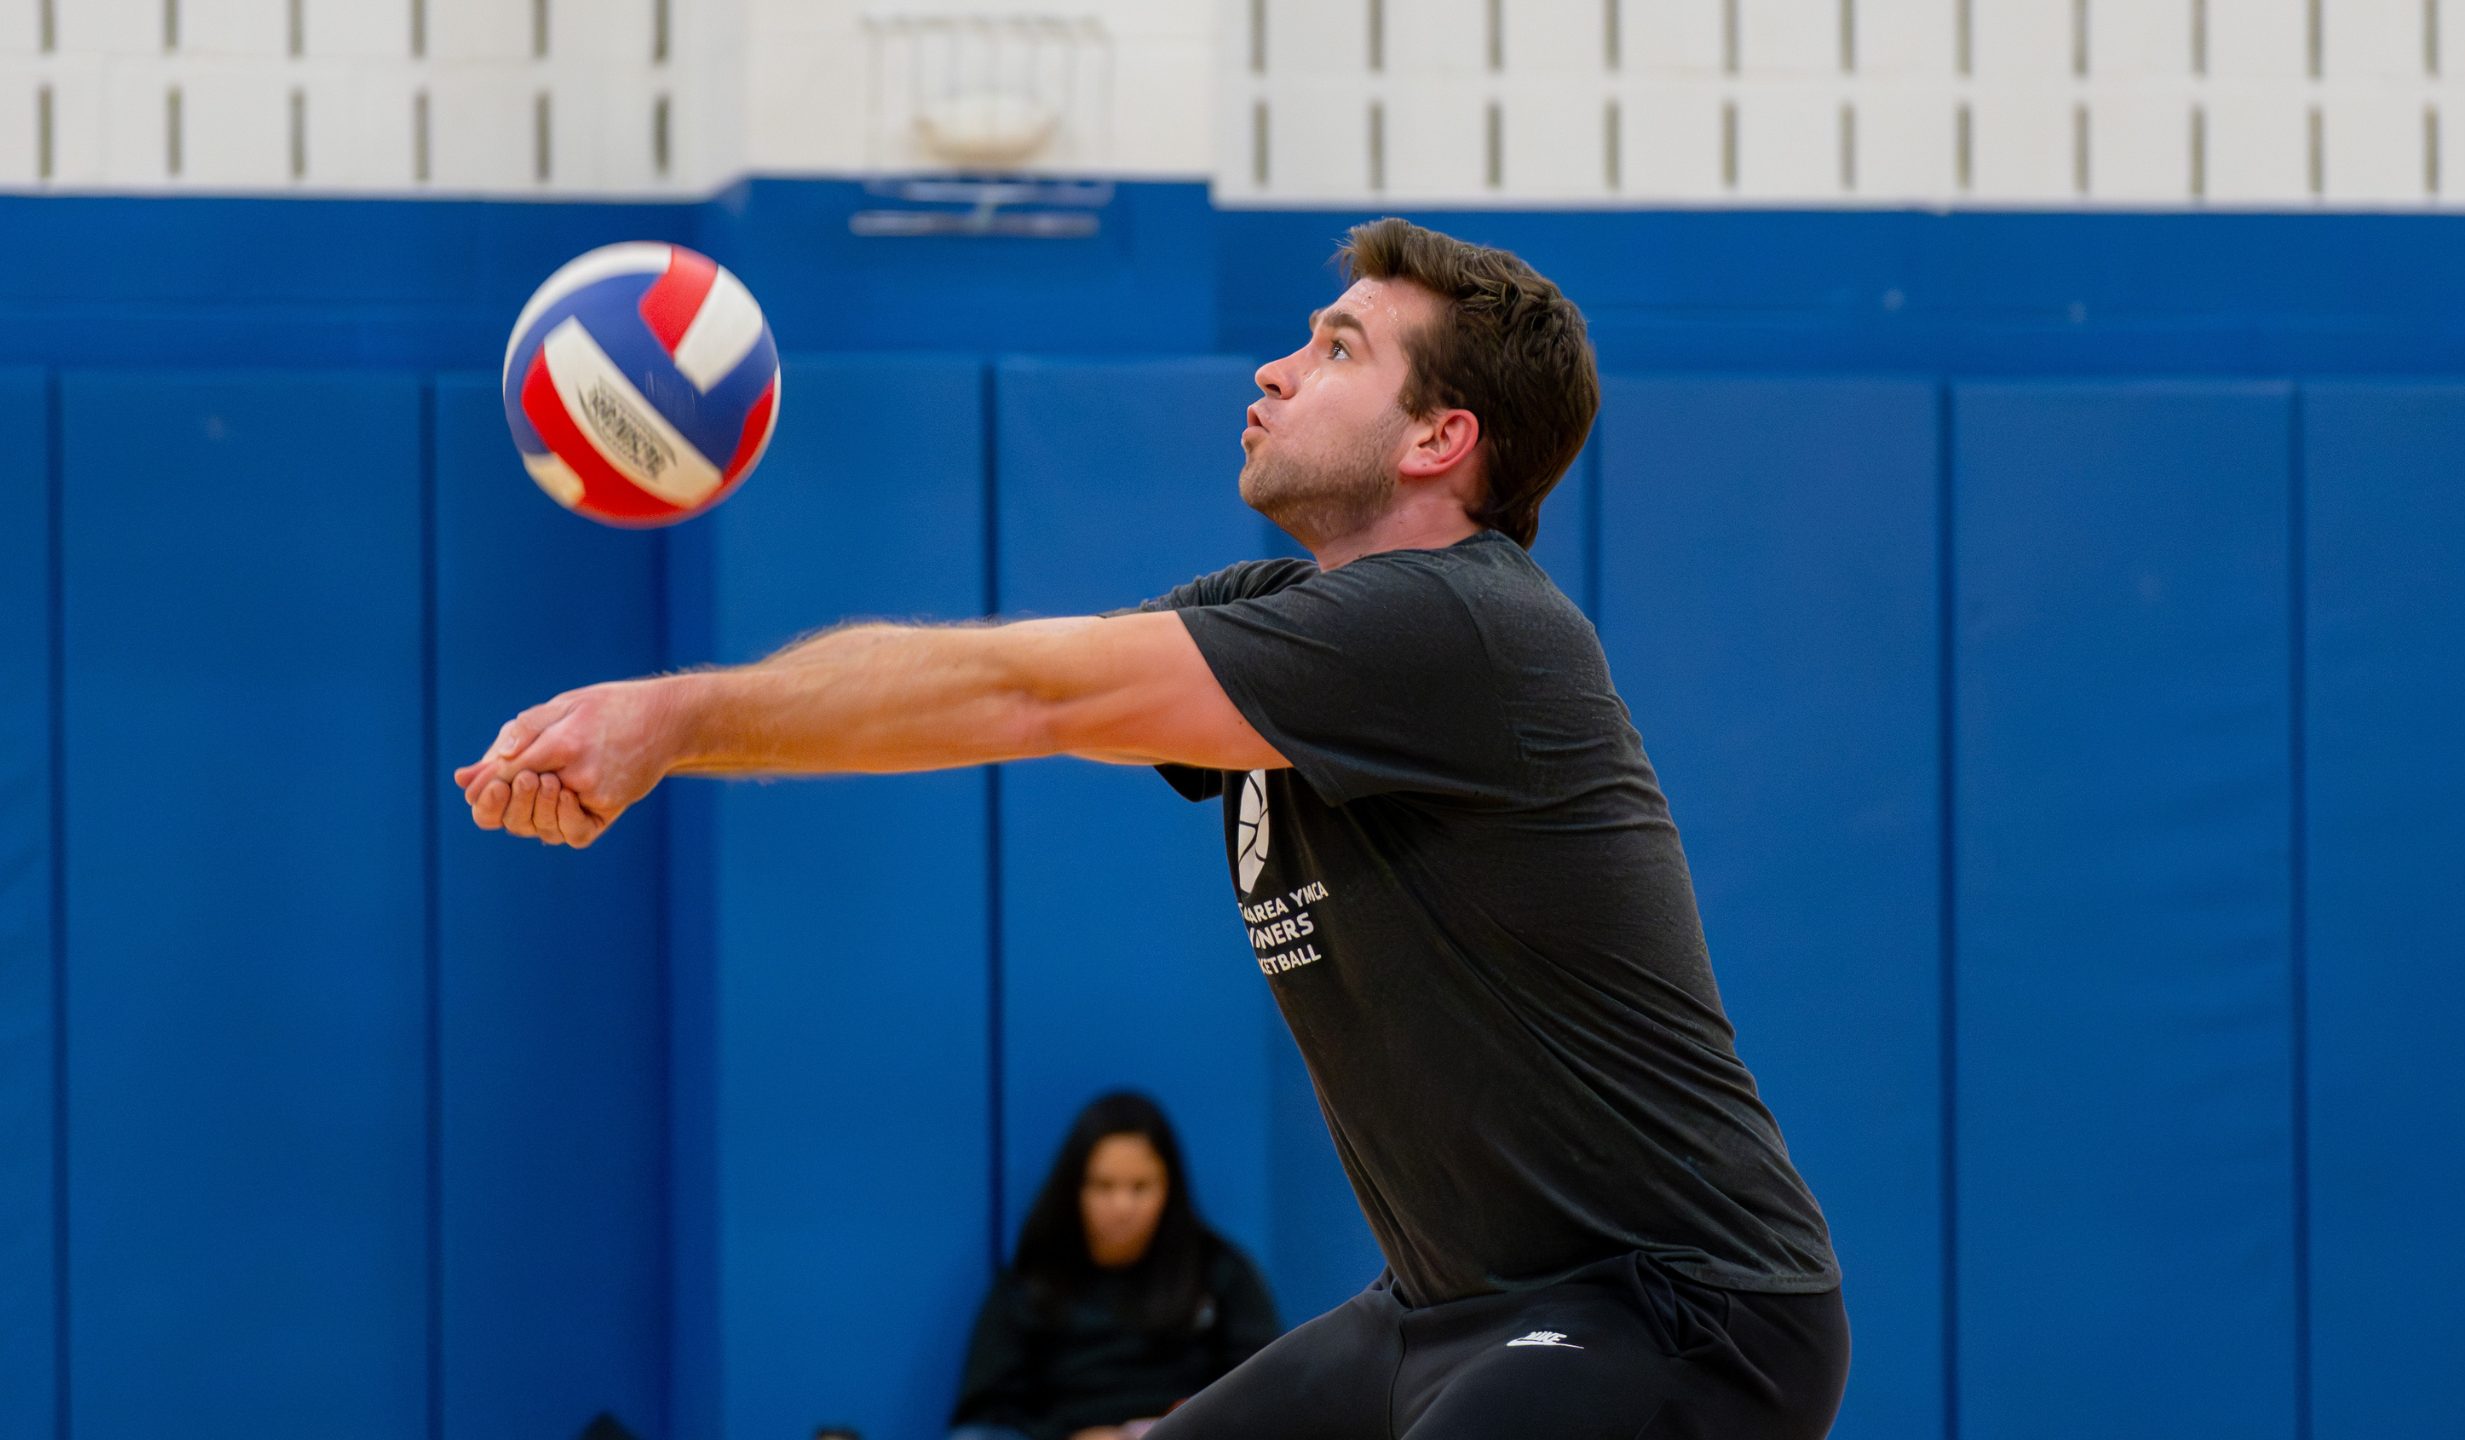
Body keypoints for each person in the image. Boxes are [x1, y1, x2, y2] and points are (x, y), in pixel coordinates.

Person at [453, 217, 1848, 1438]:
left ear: (1441, 439)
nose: (1275, 370)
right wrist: (666, 737)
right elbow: (976, 695)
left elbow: (1026, 693)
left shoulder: (1455, 627)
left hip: (1677, 1311)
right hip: (1442, 1311)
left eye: (1338, 349)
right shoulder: (1280, 617)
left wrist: (671, 719)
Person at [949, 1092, 1280, 1440]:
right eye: (1103, 1186)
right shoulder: (1031, 1283)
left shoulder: (1220, 1272)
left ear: (1169, 1188)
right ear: (1074, 1188)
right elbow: (985, 1414)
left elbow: (1265, 1389)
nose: (1122, 1207)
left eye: (1140, 1187)